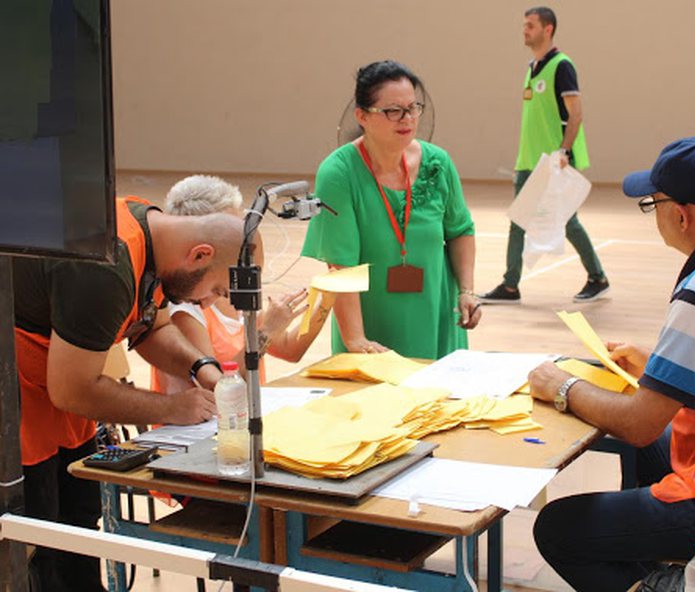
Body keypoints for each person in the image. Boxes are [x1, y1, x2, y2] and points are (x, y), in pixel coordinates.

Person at [527, 135, 695, 592]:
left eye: (652, 204)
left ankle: (662, 584)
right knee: (654, 452)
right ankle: (661, 568)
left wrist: (562, 386)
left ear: (681, 214)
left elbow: (639, 424)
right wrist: (659, 366)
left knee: (558, 528)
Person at [14, 195, 249, 591]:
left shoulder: (156, 236)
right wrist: (171, 407)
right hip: (21, 405)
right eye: (216, 288)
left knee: (79, 524)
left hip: (63, 399)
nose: (207, 301)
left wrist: (203, 370)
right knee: (39, 543)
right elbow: (73, 390)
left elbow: (150, 327)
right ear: (199, 254)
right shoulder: (105, 264)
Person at [301, 60, 481, 359]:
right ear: (362, 116)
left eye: (413, 108)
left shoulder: (438, 163)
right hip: (373, 326)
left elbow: (460, 230)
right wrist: (356, 339)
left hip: (438, 315)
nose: (407, 119)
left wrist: (467, 291)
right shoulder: (339, 173)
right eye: (392, 111)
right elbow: (341, 266)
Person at [152, 175, 334, 394]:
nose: (241, 234)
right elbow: (216, 388)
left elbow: (289, 350)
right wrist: (266, 331)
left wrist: (329, 296)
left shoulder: (230, 285)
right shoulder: (184, 307)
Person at [480, 6, 609, 304]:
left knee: (566, 222)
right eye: (523, 25)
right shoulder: (531, 67)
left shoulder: (562, 66)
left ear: (547, 29)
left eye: (530, 25)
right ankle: (510, 286)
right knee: (518, 221)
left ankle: (598, 278)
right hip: (528, 161)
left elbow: (576, 114)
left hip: (554, 160)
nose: (524, 30)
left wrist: (564, 150)